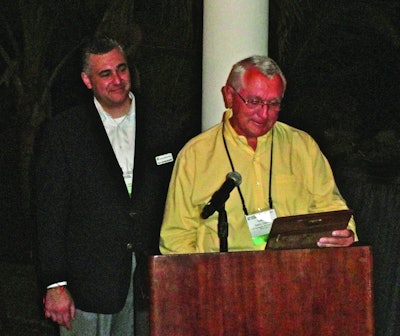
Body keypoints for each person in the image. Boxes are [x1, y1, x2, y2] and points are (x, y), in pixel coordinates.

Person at [34, 37, 176, 335]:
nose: (117, 80)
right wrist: (55, 283)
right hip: (87, 285)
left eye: (121, 69)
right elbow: (50, 213)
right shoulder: (64, 133)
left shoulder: (163, 125)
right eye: (105, 73)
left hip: (150, 282)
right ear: (87, 80)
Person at [160, 55, 356, 254]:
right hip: (222, 278)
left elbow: (331, 207)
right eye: (254, 101)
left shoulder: (302, 146)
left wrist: (343, 232)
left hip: (294, 273)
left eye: (273, 104)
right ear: (229, 96)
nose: (264, 114)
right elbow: (177, 238)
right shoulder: (195, 155)